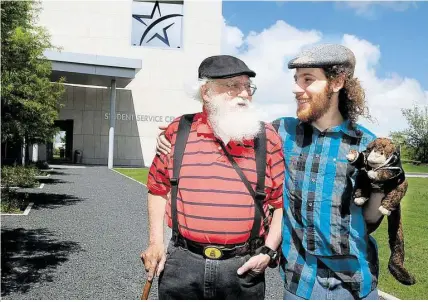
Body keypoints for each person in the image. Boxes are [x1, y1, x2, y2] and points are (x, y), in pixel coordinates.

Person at [155, 44, 383, 300]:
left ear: (337, 82)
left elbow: (371, 220)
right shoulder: (281, 132)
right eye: (296, 80)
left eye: (307, 80)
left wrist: (380, 189)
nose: (296, 89)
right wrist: (171, 136)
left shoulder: (368, 146)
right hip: (300, 282)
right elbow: (227, 124)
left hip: (354, 283)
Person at [140, 55, 285, 299]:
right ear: (206, 92)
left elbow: (281, 203)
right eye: (233, 86)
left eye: (248, 86)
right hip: (182, 264)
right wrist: (155, 242)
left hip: (243, 267)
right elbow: (157, 188)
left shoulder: (266, 136)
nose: (244, 93)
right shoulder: (179, 130)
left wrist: (268, 251)